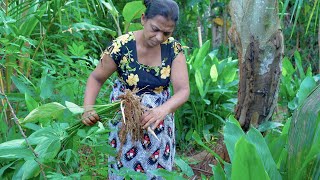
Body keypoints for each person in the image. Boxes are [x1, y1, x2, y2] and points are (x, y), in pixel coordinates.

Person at [82, 0, 189, 179]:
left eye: (167, 32)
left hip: (158, 125)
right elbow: (96, 78)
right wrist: (87, 108)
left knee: (157, 171)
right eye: (155, 29)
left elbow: (183, 90)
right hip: (125, 121)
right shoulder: (122, 46)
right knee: (123, 169)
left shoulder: (173, 49)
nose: (160, 37)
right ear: (143, 19)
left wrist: (162, 110)